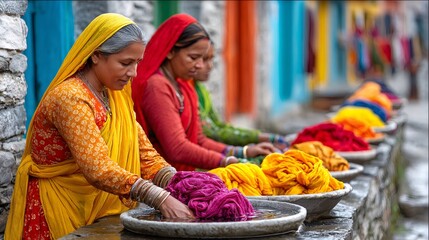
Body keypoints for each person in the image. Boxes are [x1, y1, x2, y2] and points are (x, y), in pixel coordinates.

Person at [5, 13, 194, 240]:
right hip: (57, 208)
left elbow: (144, 153)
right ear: (96, 56)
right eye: (125, 63)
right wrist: (159, 197)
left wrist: (181, 184)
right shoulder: (70, 97)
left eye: (137, 63)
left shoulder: (114, 95)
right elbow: (98, 168)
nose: (133, 73)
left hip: (95, 206)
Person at [132, 13, 277, 172]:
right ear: (170, 51)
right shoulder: (157, 87)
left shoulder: (183, 86)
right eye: (193, 57)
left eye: (203, 58)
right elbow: (178, 148)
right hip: (160, 182)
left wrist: (243, 152)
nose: (200, 65)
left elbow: (199, 140)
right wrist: (227, 161)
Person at [193, 41, 289, 150]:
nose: (210, 66)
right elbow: (212, 132)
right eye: (202, 59)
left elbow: (218, 125)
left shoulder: (200, 89)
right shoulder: (187, 91)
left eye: (211, 59)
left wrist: (264, 138)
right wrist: (245, 151)